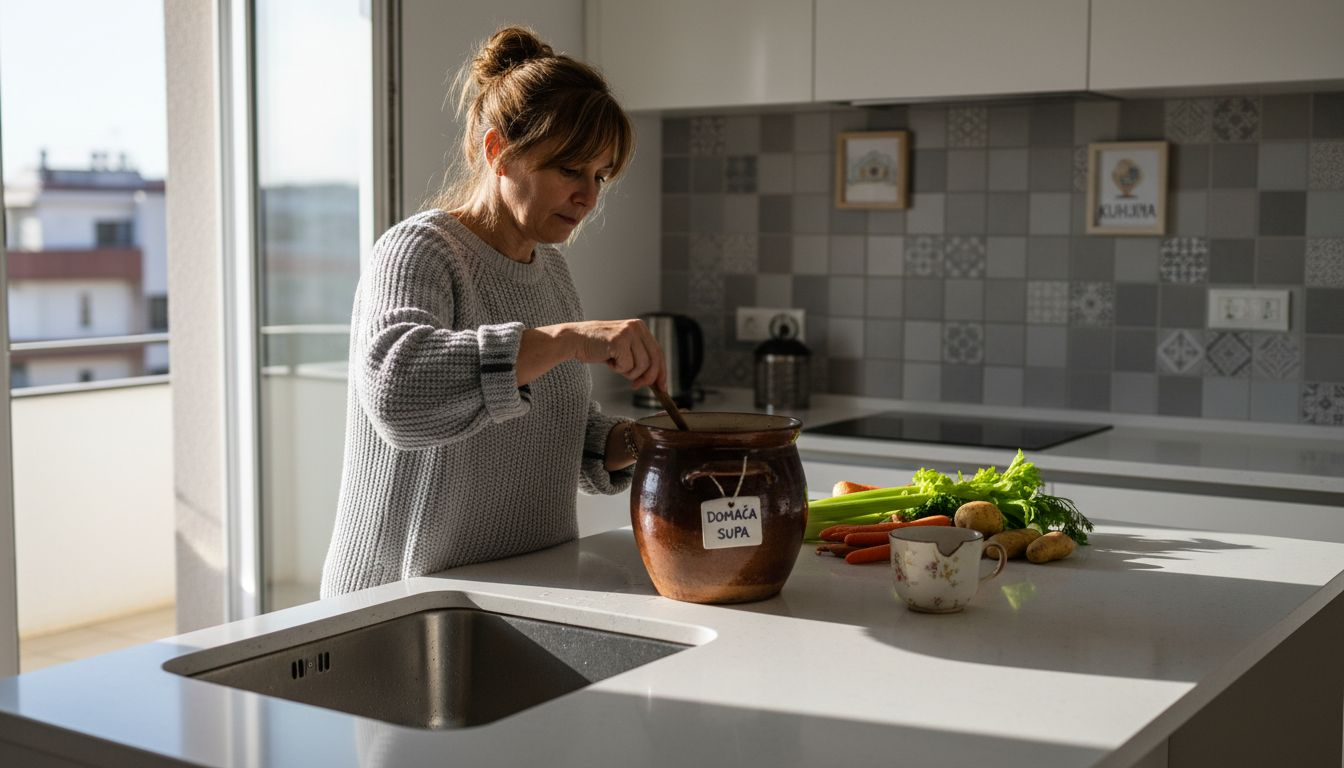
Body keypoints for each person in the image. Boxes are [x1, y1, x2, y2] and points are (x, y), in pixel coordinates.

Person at [320, 26, 665, 598]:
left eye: (599, 175)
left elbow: (548, 432)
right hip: (402, 601)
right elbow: (396, 394)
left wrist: (642, 443)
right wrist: (566, 339)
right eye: (569, 169)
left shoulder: (549, 270)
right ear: (497, 150)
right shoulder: (420, 250)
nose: (589, 196)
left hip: (518, 592)